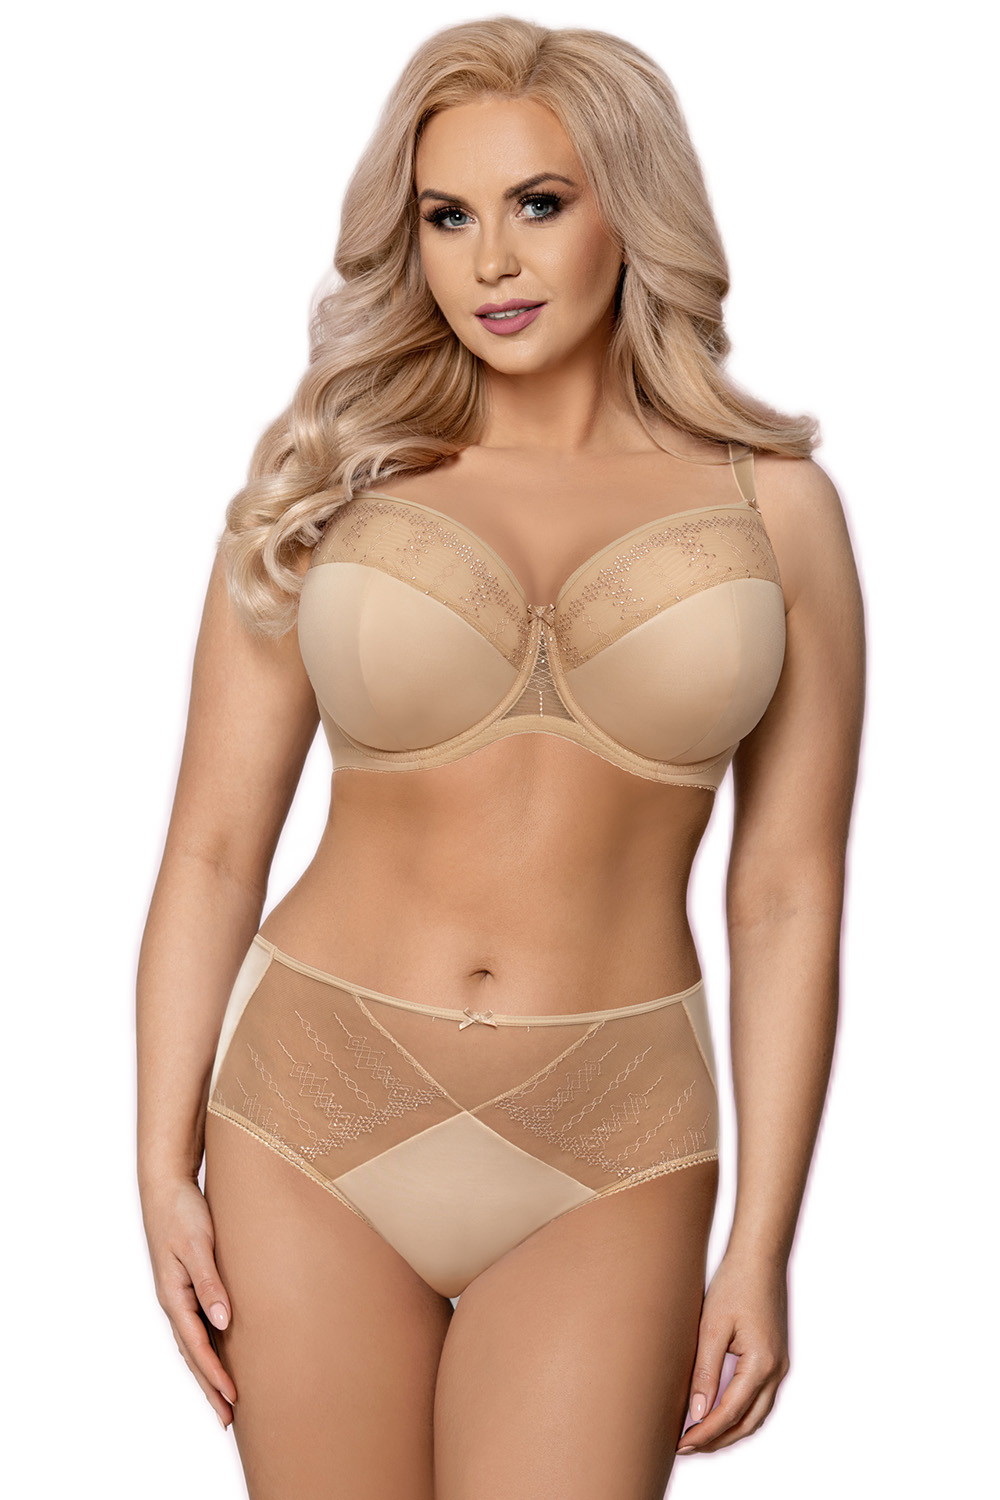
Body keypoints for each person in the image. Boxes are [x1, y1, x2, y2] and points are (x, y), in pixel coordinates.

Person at [136, 16, 864, 1498]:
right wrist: (157, 1160)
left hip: (613, 1131)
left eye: (539, 203)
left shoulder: (777, 511)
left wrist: (764, 1244)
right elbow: (211, 846)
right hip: (313, 1100)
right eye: (447, 217)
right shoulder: (331, 480)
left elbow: (788, 889)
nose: (492, 261)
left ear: (630, 209)